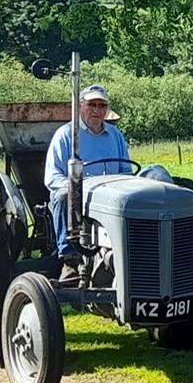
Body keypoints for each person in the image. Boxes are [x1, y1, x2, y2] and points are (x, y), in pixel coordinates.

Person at [44, 84, 130, 260]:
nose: (97, 110)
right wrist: (78, 188)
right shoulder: (66, 134)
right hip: (80, 196)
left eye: (102, 105)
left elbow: (126, 172)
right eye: (92, 105)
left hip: (111, 196)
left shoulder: (115, 135)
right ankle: (68, 256)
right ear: (81, 106)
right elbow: (53, 178)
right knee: (63, 195)